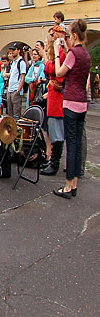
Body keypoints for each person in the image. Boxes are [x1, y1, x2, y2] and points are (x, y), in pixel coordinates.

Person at [52, 19, 90, 198]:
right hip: (82, 102)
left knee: (71, 143)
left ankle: (67, 186)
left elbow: (59, 73)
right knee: (77, 146)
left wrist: (57, 54)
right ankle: (74, 184)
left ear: (74, 35)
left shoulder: (73, 53)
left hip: (71, 102)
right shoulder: (86, 54)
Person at [41, 29, 67, 176]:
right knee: (53, 128)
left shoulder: (60, 54)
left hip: (57, 97)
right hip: (52, 95)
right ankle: (52, 160)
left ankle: (55, 163)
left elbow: (56, 72)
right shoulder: (55, 55)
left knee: (57, 131)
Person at [7, 43, 27, 118]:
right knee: (10, 113)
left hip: (15, 90)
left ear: (18, 50)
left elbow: (23, 77)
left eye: (14, 50)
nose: (12, 52)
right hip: (10, 89)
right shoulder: (13, 62)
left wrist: (18, 90)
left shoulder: (21, 62)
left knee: (16, 113)